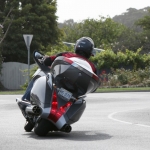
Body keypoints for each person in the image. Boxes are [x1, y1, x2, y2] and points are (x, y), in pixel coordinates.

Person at [22, 37, 98, 102]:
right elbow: (94, 85)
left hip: (60, 84)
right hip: (75, 93)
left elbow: (48, 61)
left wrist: (45, 59)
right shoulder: (92, 66)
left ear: (77, 47)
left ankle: (26, 98)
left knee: (41, 73)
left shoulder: (67, 55)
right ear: (90, 52)